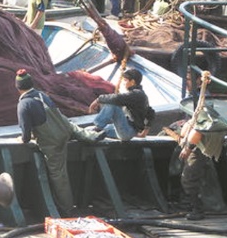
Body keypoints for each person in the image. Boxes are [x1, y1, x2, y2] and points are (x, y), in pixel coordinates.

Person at [16, 69, 103, 215]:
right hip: (64, 129)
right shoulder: (42, 95)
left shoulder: (24, 105)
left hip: (53, 142)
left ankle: (67, 210)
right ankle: (89, 136)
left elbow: (25, 134)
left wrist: (23, 139)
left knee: (59, 176)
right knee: (72, 127)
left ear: (18, 88)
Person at [177, 103, 227, 221]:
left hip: (197, 151)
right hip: (204, 151)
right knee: (194, 178)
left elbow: (197, 132)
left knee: (188, 179)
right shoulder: (209, 119)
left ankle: (197, 210)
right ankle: (192, 205)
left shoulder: (202, 119)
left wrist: (187, 148)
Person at [89, 67, 154, 141]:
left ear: (132, 82)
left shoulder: (136, 94)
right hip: (128, 131)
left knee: (112, 104)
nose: (123, 83)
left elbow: (116, 98)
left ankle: (98, 127)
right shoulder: (141, 95)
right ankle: (97, 131)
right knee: (89, 130)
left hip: (126, 132)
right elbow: (151, 112)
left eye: (125, 80)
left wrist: (98, 100)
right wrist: (144, 132)